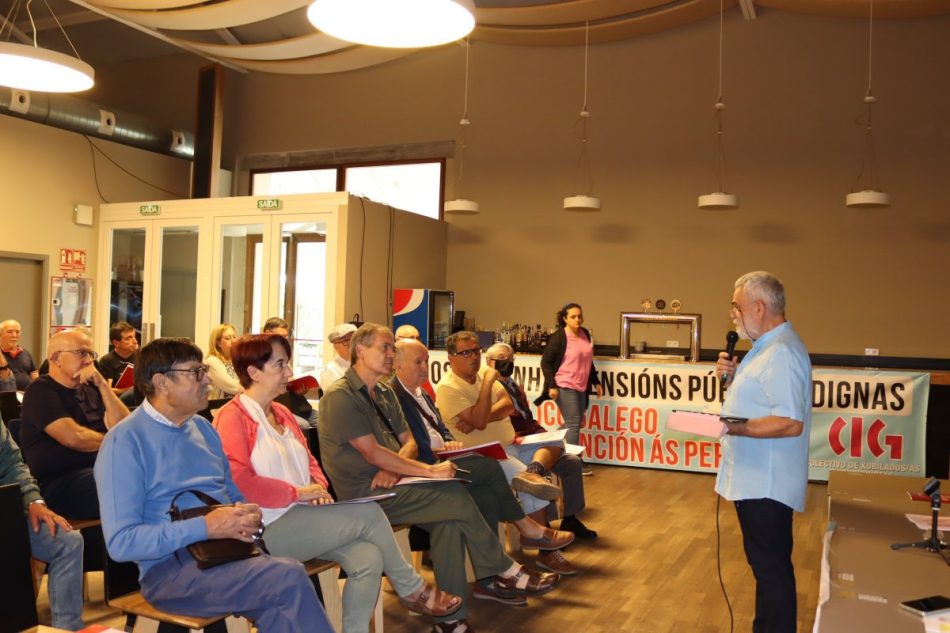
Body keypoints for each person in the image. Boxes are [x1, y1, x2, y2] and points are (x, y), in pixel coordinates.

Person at [319, 323, 559, 633]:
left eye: (393, 348)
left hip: (396, 481)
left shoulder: (382, 391)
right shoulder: (341, 395)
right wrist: (428, 470)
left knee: (449, 518)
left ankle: (450, 622)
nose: (391, 353)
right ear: (360, 351)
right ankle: (503, 568)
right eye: (385, 348)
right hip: (366, 494)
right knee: (454, 495)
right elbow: (371, 453)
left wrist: (395, 467)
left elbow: (409, 442)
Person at [215, 333, 462, 633]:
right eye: (280, 365)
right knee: (370, 512)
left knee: (369, 558)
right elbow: (240, 482)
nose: (290, 373)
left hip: (301, 516)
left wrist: (317, 488)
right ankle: (412, 589)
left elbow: (310, 461)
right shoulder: (233, 417)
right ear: (253, 372)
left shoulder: (281, 412)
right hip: (264, 528)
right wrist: (299, 492)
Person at [94, 337, 331, 633]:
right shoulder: (125, 442)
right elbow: (122, 543)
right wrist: (207, 526)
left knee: (282, 601)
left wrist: (247, 512)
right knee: (288, 576)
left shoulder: (202, 427)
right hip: (169, 572)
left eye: (204, 369)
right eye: (196, 373)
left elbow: (231, 493)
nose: (207, 379)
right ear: (161, 383)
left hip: (228, 553)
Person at [394, 338, 576, 585]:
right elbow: (413, 444)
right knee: (492, 468)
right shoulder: (407, 393)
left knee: (549, 452)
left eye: (476, 350)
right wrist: (488, 386)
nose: (425, 368)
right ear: (397, 364)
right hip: (439, 465)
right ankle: (530, 534)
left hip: (482, 449)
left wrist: (451, 440)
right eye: (418, 362)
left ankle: (492, 578)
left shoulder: (421, 392)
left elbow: (505, 406)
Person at [715, 271, 812, 633]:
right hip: (756, 482)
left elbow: (790, 421)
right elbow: (761, 400)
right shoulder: (767, 347)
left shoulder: (781, 352)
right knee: (767, 569)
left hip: (765, 485)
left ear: (759, 307)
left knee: (771, 572)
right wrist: (729, 379)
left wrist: (732, 426)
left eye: (736, 307)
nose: (733, 315)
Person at [486, 342, 597, 541]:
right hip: (513, 443)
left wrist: (544, 434)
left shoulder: (515, 386)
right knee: (532, 469)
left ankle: (570, 518)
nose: (507, 364)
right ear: (489, 362)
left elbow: (527, 418)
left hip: (530, 439)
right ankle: (542, 526)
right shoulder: (488, 389)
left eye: (510, 360)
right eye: (502, 360)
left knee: (571, 462)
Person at [19, 329, 130, 519]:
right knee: (125, 486)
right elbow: (74, 438)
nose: (89, 360)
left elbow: (125, 428)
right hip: (60, 482)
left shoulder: (93, 388)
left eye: (91, 354)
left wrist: (103, 386)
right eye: (81, 353)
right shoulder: (40, 390)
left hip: (99, 469)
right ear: (56, 359)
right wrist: (116, 441)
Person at [0, 419, 84, 630]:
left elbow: (11, 461)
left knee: (68, 541)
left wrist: (33, 500)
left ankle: (65, 629)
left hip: (7, 512)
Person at [536, 303, 603, 473]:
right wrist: (552, 385)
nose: (577, 319)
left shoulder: (585, 334)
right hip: (564, 384)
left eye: (579, 316)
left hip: (581, 385)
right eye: (573, 316)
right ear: (565, 318)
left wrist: (596, 382)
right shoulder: (559, 337)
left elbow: (588, 361)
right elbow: (546, 362)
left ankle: (548, 444)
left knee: (574, 423)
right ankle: (576, 463)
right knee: (574, 424)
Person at [262, 317, 316, 428]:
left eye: (286, 337)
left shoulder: (283, 354)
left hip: (295, 404)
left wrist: (297, 390)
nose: (284, 341)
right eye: (281, 337)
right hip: (278, 405)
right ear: (267, 333)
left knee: (324, 420)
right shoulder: (261, 357)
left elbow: (289, 380)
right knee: (304, 425)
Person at [98, 321, 139, 395]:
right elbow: (107, 391)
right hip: (118, 402)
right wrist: (130, 390)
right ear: (116, 343)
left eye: (134, 337)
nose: (135, 341)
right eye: (128, 338)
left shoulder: (142, 357)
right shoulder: (106, 361)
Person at [1, 319, 39, 390]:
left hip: (27, 396)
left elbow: (35, 377)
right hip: (6, 397)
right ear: (0, 334)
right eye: (10, 332)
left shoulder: (26, 353)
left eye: (17, 332)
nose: (14, 335)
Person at [206, 323, 241, 399]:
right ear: (218, 343)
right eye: (228, 338)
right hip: (219, 408)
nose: (233, 341)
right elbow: (233, 387)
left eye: (234, 337)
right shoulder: (212, 361)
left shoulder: (236, 360)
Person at [319, 322, 357, 391]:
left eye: (354, 339)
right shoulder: (330, 370)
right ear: (335, 345)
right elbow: (333, 399)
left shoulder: (362, 364)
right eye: (346, 340)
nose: (351, 343)